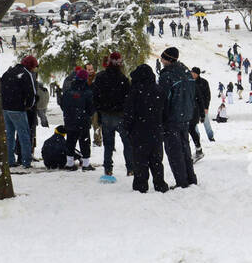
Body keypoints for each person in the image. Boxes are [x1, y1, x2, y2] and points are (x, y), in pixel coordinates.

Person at [122, 64, 169, 193]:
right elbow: (165, 112)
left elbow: (128, 113)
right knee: (157, 160)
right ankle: (160, 183)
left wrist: (127, 128)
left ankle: (141, 184)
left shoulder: (134, 92)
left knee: (140, 160)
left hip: (139, 131)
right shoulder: (159, 90)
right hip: (156, 130)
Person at [157, 48, 197, 188]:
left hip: (172, 118)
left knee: (174, 151)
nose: (161, 61)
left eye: (163, 58)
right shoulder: (187, 73)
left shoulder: (167, 76)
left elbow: (163, 99)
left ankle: (182, 182)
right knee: (185, 148)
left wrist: (161, 117)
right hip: (186, 116)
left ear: (168, 59)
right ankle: (191, 178)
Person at [92, 52, 131, 182]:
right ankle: (130, 168)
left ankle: (108, 169)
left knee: (108, 144)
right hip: (120, 115)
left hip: (106, 114)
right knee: (127, 143)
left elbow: (95, 96)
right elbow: (128, 97)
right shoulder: (123, 79)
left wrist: (100, 110)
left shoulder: (100, 77)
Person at [0, 55, 38, 169]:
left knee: (9, 135)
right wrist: (28, 106)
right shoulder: (26, 74)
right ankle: (26, 161)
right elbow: (31, 93)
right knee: (24, 135)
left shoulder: (8, 72)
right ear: (30, 66)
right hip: (18, 109)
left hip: (5, 108)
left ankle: (10, 160)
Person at [58, 67, 95, 170]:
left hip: (70, 121)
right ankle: (86, 164)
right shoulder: (87, 92)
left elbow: (62, 105)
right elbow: (91, 109)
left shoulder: (68, 92)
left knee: (70, 142)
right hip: (83, 122)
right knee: (85, 142)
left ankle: (70, 164)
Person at [189, 66, 214, 159]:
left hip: (202, 106)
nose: (193, 74)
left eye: (194, 73)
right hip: (193, 108)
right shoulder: (190, 82)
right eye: (192, 72)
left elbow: (208, 95)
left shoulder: (203, 82)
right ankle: (197, 140)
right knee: (194, 125)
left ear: (198, 74)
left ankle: (210, 137)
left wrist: (206, 107)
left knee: (206, 122)